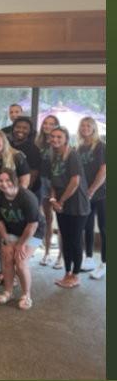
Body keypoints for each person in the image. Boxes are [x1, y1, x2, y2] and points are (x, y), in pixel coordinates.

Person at [0, 169, 45, 310]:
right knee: (7, 257)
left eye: (7, 180)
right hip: (11, 231)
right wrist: (6, 240)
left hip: (34, 233)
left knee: (20, 261)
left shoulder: (27, 197)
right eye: (0, 181)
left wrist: (21, 244)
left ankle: (26, 295)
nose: (4, 184)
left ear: (15, 180)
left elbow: (32, 225)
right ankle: (8, 291)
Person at [45, 127, 91, 289]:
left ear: (66, 139)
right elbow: (53, 182)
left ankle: (76, 275)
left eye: (59, 137)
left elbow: (75, 182)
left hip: (77, 205)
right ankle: (67, 273)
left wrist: (61, 201)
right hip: (60, 205)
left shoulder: (72, 155)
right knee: (66, 239)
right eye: (52, 137)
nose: (55, 139)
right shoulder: (54, 156)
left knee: (75, 241)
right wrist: (53, 200)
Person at [0, 130, 31, 275]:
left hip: (16, 202)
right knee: (2, 238)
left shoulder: (17, 156)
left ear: (4, 140)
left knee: (15, 237)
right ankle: (4, 271)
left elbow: (25, 179)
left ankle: (16, 273)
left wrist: (15, 199)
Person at [77, 117, 106, 279]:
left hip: (102, 194)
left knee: (104, 228)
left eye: (88, 125)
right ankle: (89, 259)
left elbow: (103, 171)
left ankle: (105, 263)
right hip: (85, 194)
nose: (85, 128)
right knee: (87, 226)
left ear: (94, 128)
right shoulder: (80, 148)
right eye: (83, 125)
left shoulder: (101, 146)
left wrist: (92, 190)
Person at [36, 114, 62, 268]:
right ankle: (46, 252)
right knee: (47, 219)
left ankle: (60, 256)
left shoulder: (59, 141)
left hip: (58, 184)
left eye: (52, 123)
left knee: (61, 221)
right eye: (45, 123)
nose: (48, 126)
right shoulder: (38, 142)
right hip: (43, 182)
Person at [10, 117, 42, 194]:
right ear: (13, 128)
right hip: (11, 187)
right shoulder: (8, 145)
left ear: (30, 131)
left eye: (25, 128)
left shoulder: (33, 149)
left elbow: (33, 175)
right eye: (18, 127)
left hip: (28, 190)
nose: (20, 130)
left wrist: (23, 193)